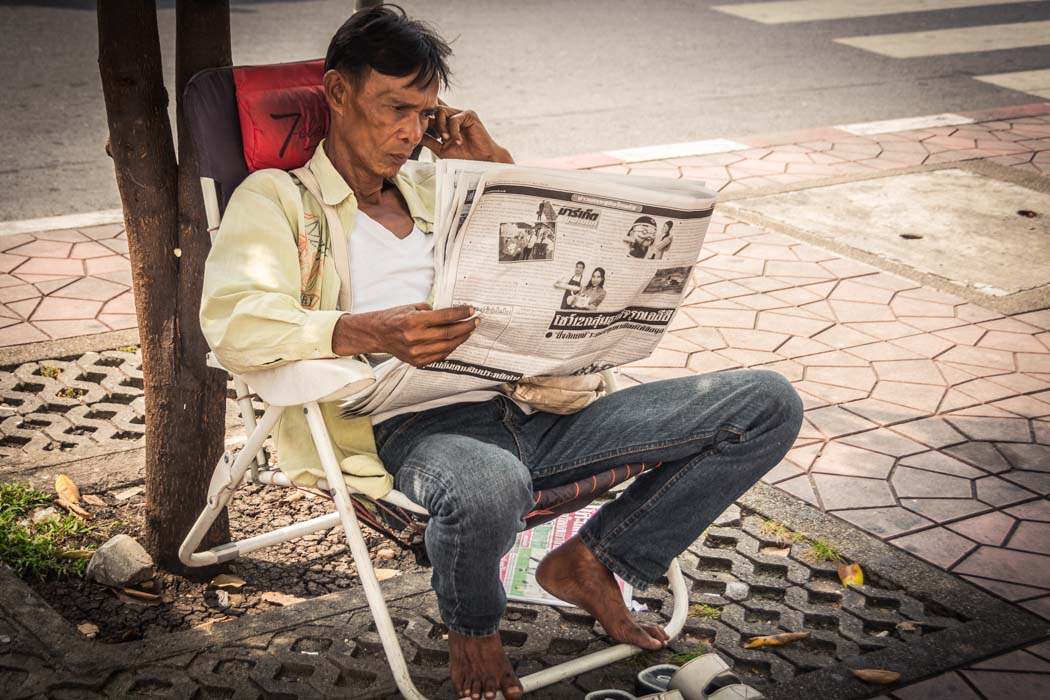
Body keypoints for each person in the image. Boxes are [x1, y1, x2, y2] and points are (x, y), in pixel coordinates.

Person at [200, 7, 804, 700]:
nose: (408, 133)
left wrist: (501, 173)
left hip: (535, 406)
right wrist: (371, 332)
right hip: (419, 430)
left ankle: (595, 560)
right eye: (393, 108)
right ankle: (474, 630)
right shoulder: (279, 200)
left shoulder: (444, 185)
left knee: (766, 404)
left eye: (424, 114)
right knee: (491, 485)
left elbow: (554, 281)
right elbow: (235, 322)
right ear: (337, 93)